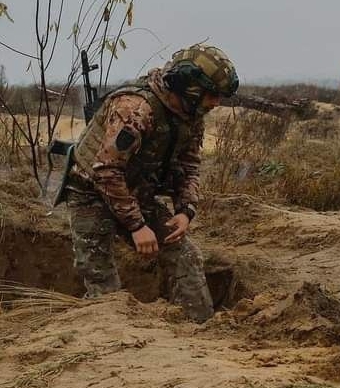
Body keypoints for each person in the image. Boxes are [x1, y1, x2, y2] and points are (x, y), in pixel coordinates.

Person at [61, 44, 239, 322]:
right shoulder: (135, 110)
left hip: (135, 191)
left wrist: (185, 210)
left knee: (185, 255)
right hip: (90, 191)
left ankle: (199, 330)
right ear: (190, 87)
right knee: (99, 276)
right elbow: (105, 170)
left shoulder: (190, 114)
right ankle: (111, 336)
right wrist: (137, 226)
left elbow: (189, 165)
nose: (216, 103)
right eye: (212, 94)